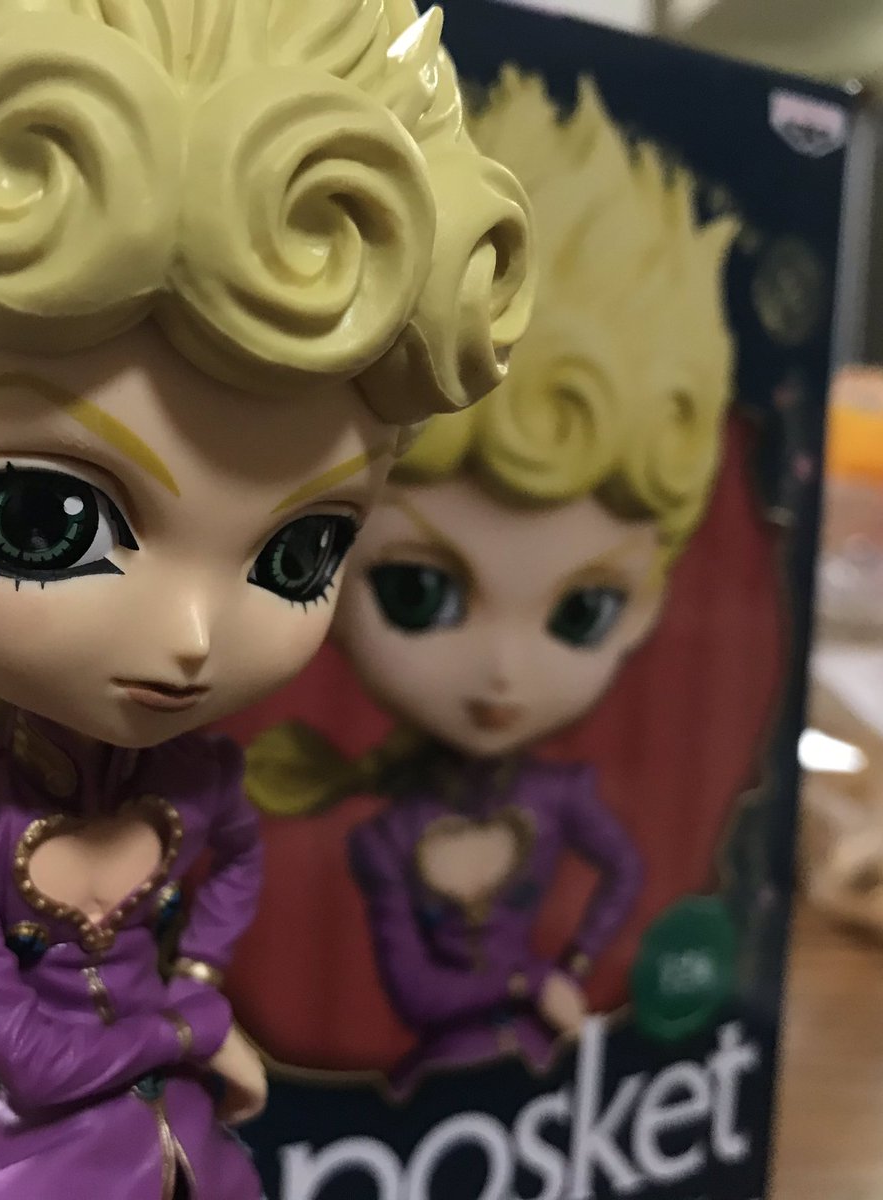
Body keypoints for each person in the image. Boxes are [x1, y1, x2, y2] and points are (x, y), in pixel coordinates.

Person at [0, 1, 534, 1195]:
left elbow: (235, 863)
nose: (190, 637)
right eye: (44, 520)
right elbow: (38, 1063)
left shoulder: (201, 786)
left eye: (300, 550)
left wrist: (195, 975)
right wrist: (196, 1026)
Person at [247, 68, 737, 1093]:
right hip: (442, 1082)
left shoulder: (561, 799)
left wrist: (573, 965)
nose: (504, 674)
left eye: (583, 610)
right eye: (417, 593)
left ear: (645, 603)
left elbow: (624, 876)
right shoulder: (388, 839)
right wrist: (533, 983)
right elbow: (416, 990)